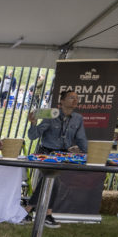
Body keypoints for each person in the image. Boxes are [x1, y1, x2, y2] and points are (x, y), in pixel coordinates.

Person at [23, 89, 87, 227]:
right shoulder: (51, 116)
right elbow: (33, 136)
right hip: (46, 153)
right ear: (62, 101)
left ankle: (30, 211)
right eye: (71, 98)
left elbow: (81, 138)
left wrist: (88, 153)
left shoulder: (78, 118)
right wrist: (33, 123)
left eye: (76, 98)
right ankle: (44, 213)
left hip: (63, 155)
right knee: (52, 181)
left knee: (51, 182)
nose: (75, 100)